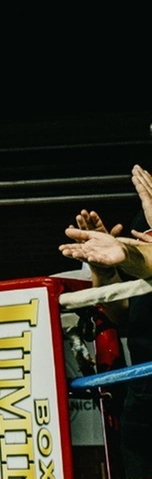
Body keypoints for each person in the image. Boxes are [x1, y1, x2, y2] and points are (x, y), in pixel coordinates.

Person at [61, 164, 152, 478]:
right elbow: (123, 312)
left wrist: (131, 255)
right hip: (144, 390)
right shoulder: (145, 213)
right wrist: (104, 269)